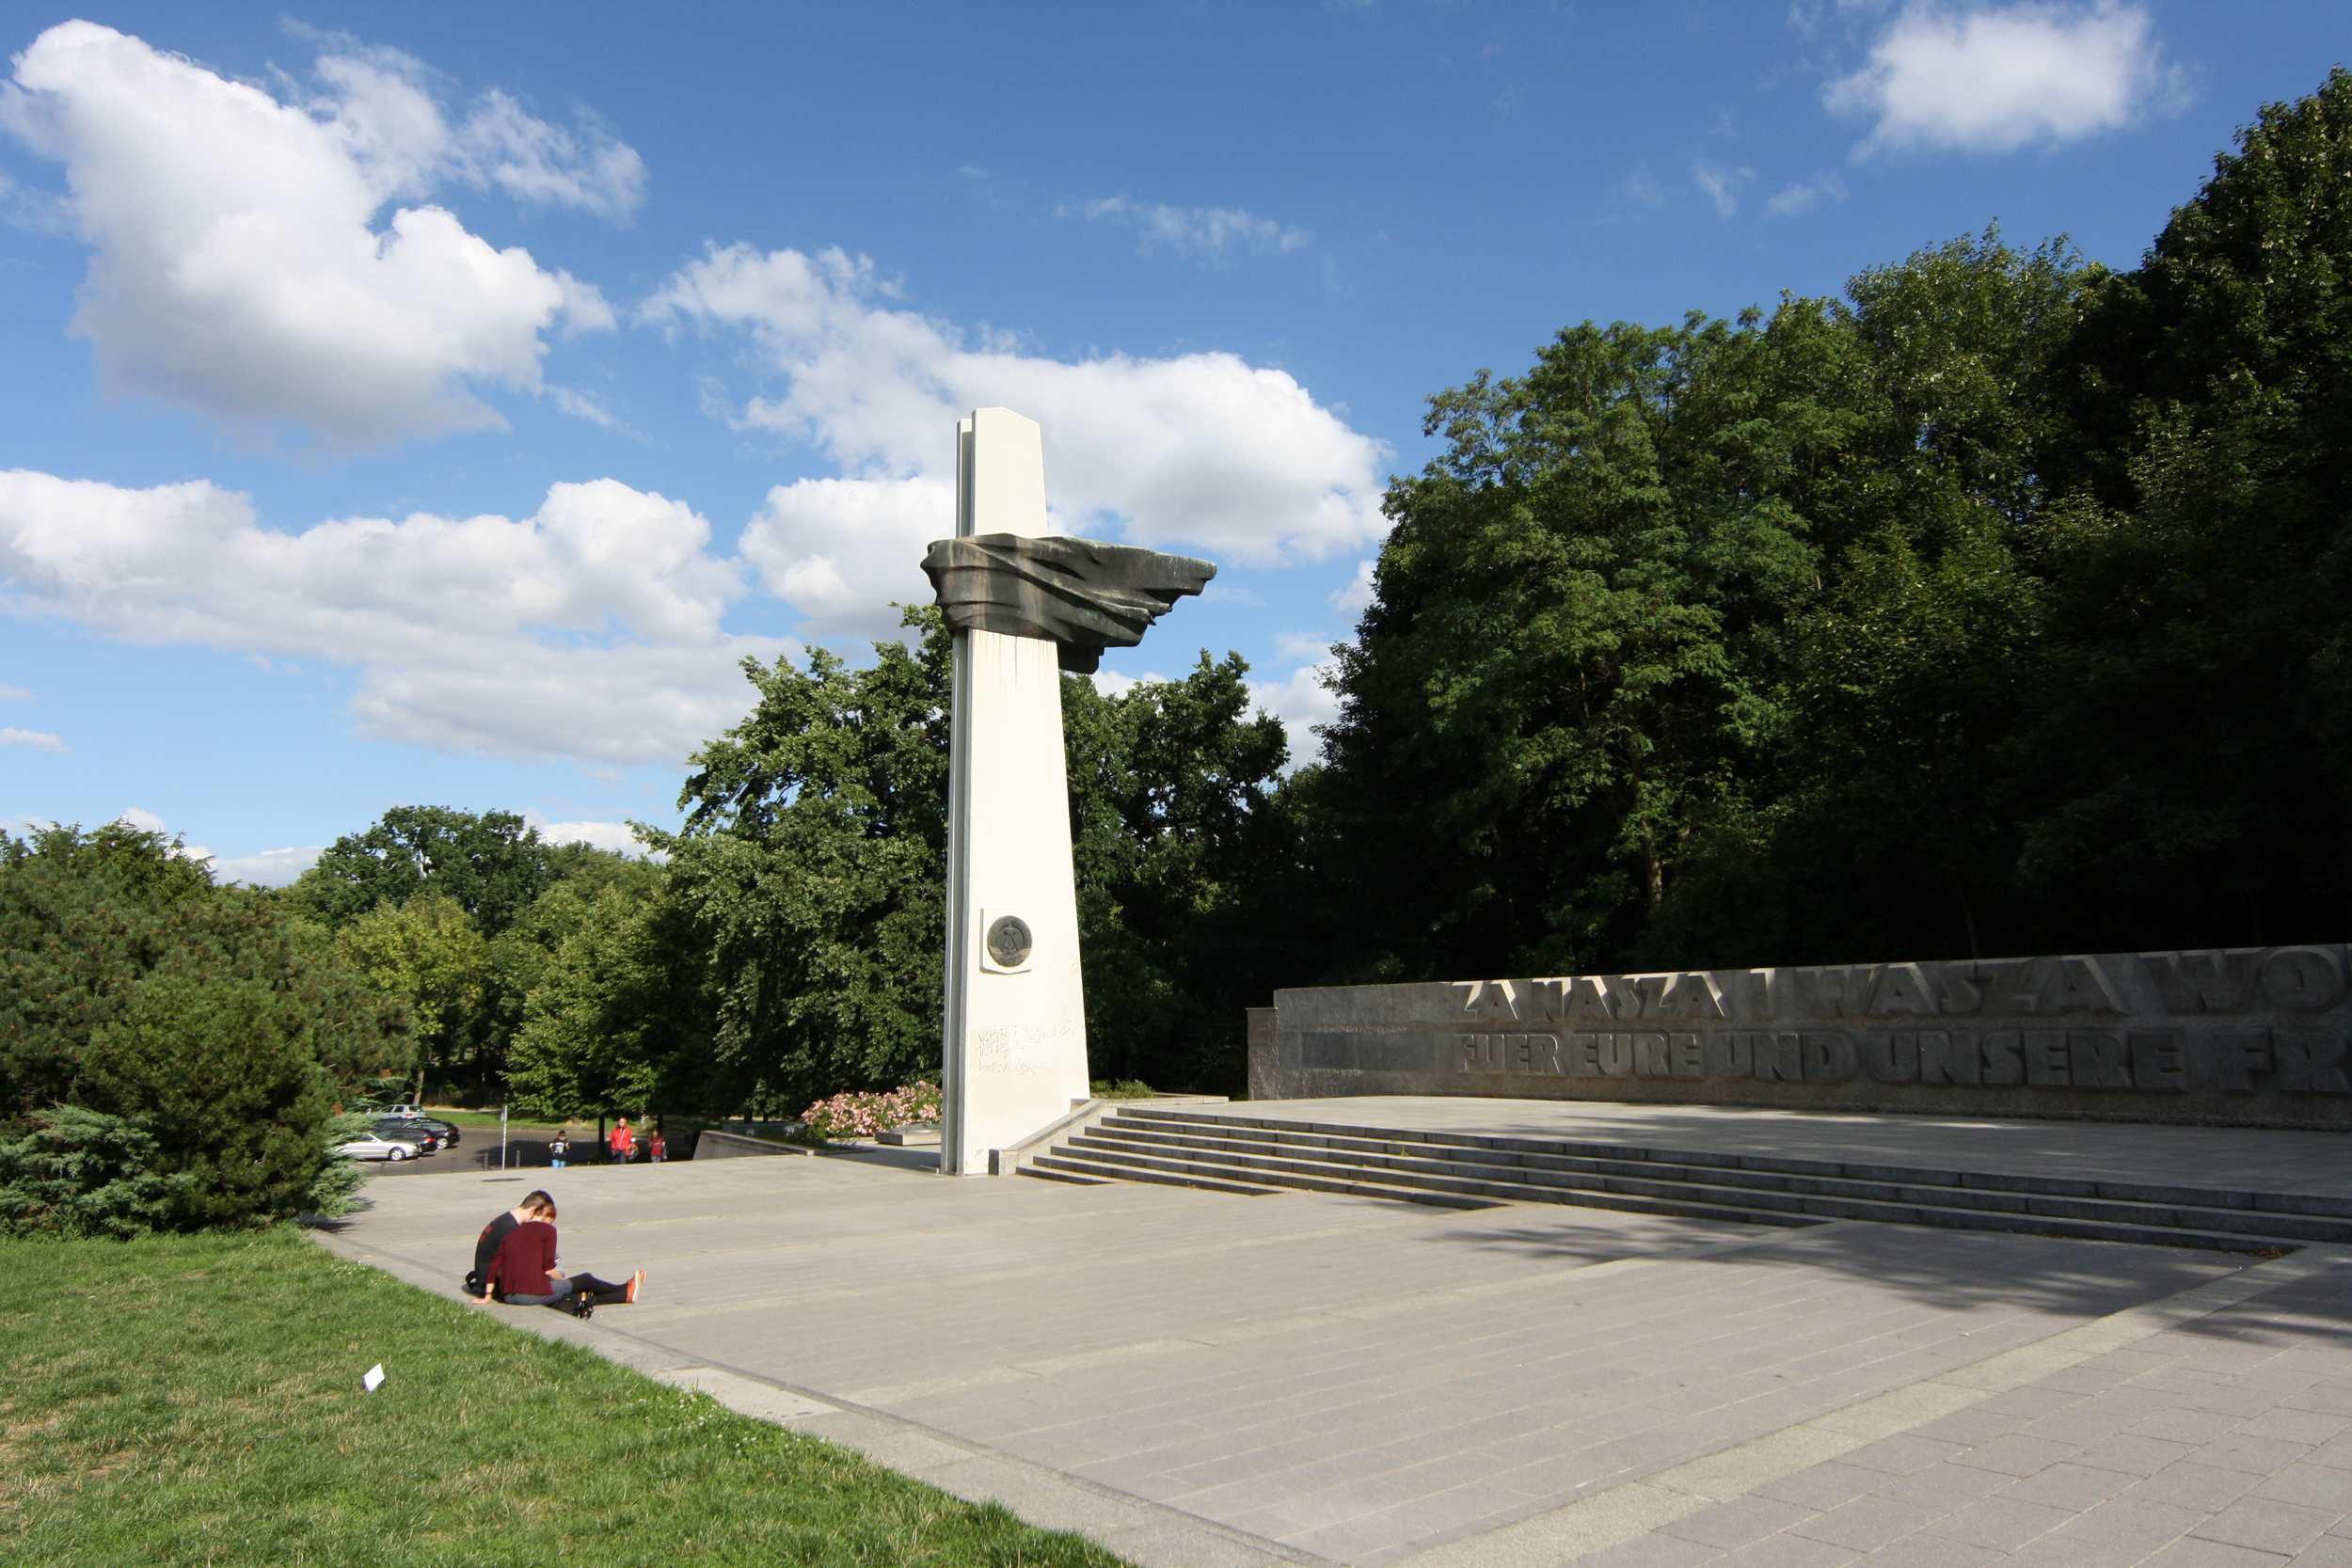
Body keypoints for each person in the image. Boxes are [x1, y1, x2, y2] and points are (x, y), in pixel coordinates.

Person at [483, 1196, 643, 1315]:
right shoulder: (548, 1230)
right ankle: (622, 1289)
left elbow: (494, 1266)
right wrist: (567, 1283)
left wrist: (487, 1296)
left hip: (508, 1296)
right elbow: (549, 1269)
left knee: (570, 1291)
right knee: (584, 1280)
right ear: (548, 1218)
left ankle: (624, 1294)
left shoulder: (512, 1233)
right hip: (531, 1294)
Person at [469, 1190, 555, 1302]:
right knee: (556, 1271)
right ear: (533, 1211)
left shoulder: (505, 1219)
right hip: (494, 1284)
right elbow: (508, 1267)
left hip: (484, 1278)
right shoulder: (510, 1229)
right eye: (540, 1216)